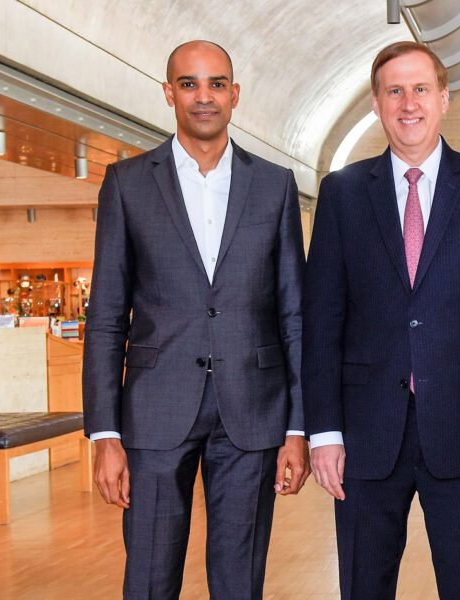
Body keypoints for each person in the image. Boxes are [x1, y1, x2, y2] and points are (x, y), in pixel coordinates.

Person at [302, 42, 460, 600]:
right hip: (363, 435)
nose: (408, 104)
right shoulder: (341, 193)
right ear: (376, 104)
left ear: (444, 98)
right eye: (394, 91)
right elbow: (321, 322)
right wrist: (324, 431)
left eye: (420, 89)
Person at [82, 40, 309, 599]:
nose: (203, 97)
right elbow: (106, 317)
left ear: (235, 94)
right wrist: (105, 434)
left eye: (216, 84)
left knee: (239, 582)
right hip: (154, 412)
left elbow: (294, 314)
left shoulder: (275, 184)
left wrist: (298, 427)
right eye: (189, 84)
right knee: (150, 579)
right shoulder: (127, 182)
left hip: (253, 411)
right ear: (169, 93)